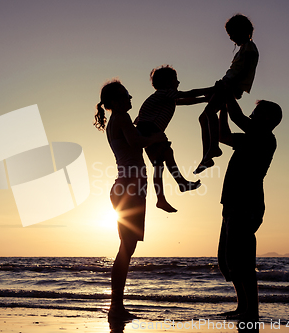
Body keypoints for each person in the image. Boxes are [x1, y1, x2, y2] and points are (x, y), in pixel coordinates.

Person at [94, 80, 166, 321]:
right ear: (114, 101)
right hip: (129, 187)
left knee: (127, 248)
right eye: (126, 95)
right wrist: (156, 138)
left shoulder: (118, 121)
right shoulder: (122, 117)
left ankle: (117, 305)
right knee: (126, 249)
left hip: (126, 187)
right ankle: (116, 307)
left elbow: (132, 141)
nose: (130, 97)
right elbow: (135, 143)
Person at [217, 88, 282, 321]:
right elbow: (223, 136)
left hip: (247, 204)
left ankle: (251, 311)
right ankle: (242, 307)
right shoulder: (251, 137)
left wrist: (227, 94)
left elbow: (239, 117)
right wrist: (223, 110)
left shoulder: (265, 137)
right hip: (232, 203)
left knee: (242, 260)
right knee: (227, 261)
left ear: (267, 118)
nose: (252, 116)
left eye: (256, 112)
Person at [134, 65, 208, 212]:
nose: (178, 82)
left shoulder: (166, 97)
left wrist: (205, 99)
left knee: (160, 164)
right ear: (167, 83)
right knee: (165, 157)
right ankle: (180, 184)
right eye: (175, 80)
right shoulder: (165, 93)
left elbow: (186, 101)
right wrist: (211, 90)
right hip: (150, 129)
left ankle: (163, 197)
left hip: (146, 130)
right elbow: (188, 94)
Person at [195, 14, 259, 174]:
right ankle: (207, 155)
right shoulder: (244, 49)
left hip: (229, 86)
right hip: (226, 84)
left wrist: (228, 84)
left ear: (244, 31)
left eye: (233, 34)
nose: (231, 38)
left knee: (209, 113)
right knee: (203, 117)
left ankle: (214, 148)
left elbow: (244, 71)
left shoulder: (250, 48)